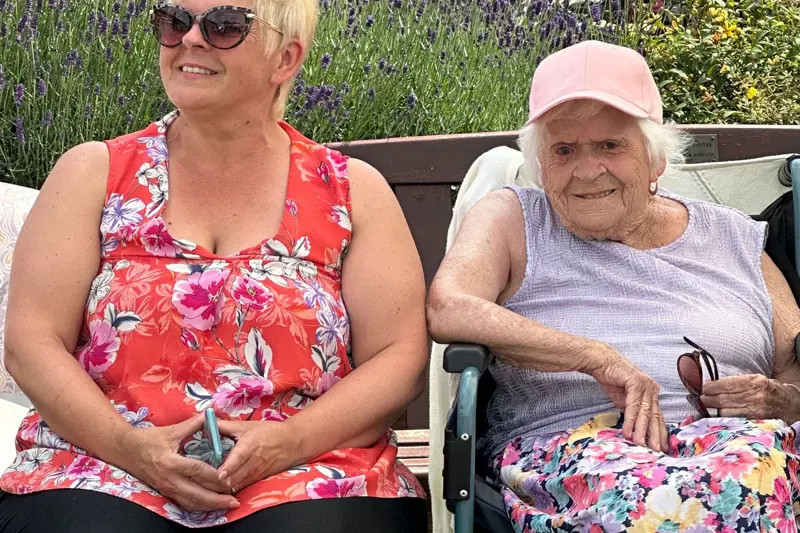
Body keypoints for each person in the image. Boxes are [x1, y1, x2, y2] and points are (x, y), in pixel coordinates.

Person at [0, 0, 429, 531]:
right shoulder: (94, 173)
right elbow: (33, 341)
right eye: (173, 20)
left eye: (225, 25)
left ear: (286, 58)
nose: (191, 39)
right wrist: (130, 447)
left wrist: (288, 441)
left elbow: (399, 355)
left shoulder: (349, 190)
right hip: (107, 462)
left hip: (306, 464)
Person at [427, 40, 800, 531]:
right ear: (541, 165)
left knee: (742, 475)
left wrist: (783, 400)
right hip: (575, 452)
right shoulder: (514, 218)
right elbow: (449, 305)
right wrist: (593, 356)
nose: (587, 170)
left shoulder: (733, 236)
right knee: (681, 497)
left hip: (745, 450)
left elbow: (793, 363)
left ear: (655, 158)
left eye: (610, 146)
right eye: (564, 150)